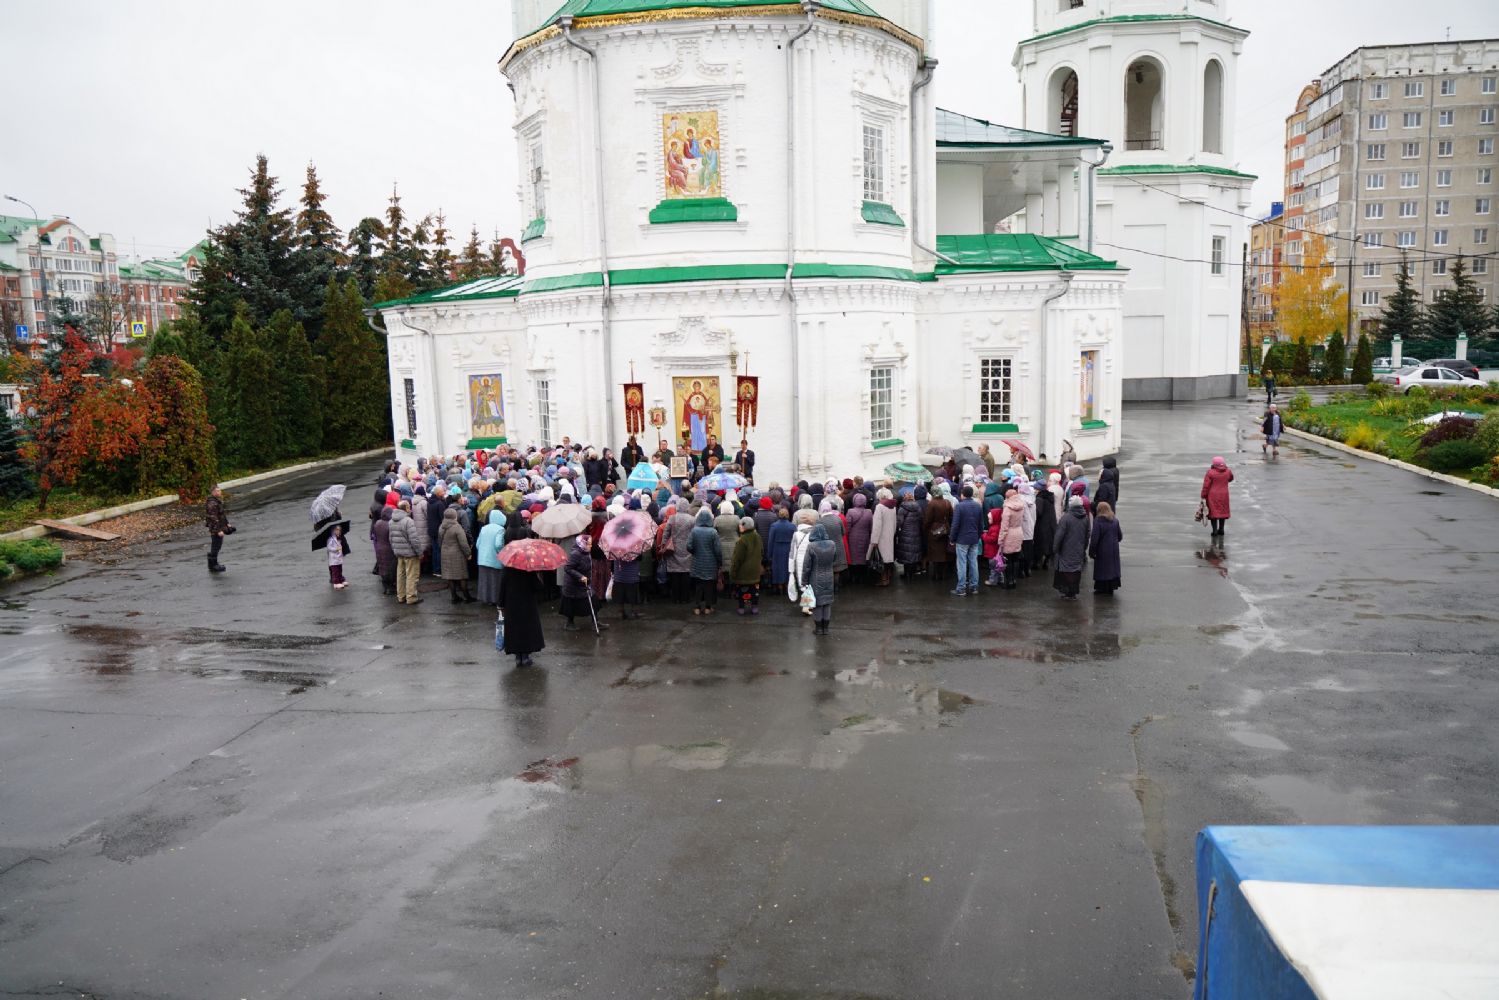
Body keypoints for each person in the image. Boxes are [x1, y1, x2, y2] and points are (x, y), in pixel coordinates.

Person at [497, 566, 545, 668]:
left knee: (514, 630)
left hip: (511, 604)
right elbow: (539, 587)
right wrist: (537, 574)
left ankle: (518, 657)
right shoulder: (529, 569)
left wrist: (500, 604)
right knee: (526, 630)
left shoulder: (507, 568)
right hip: (527, 605)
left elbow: (502, 586)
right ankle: (525, 656)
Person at [802, 523, 839, 636]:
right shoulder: (832, 544)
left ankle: (818, 629)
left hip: (815, 577)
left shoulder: (811, 546)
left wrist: (804, 581)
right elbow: (834, 559)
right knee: (827, 603)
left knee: (818, 603)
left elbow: (807, 566)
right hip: (829, 577)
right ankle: (826, 629)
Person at [949, 484, 984, 596]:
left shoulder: (959, 507)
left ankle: (961, 588)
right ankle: (974, 587)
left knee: (962, 563)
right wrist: (978, 536)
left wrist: (952, 538)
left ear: (962, 494)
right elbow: (981, 524)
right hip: (974, 538)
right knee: (973, 562)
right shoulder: (978, 506)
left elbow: (955, 525)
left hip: (962, 539)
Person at [1053, 495, 1090, 600]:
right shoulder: (1085, 517)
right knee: (1076, 570)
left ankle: (1068, 592)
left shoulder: (1066, 518)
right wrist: (1084, 547)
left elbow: (1059, 535)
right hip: (1079, 549)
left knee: (1067, 570)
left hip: (1066, 549)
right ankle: (1073, 592)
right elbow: (1087, 534)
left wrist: (1055, 548)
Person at [687, 507, 723, 615]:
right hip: (711, 564)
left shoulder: (694, 531)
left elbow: (688, 546)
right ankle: (708, 607)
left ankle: (697, 607)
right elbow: (718, 550)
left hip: (697, 562)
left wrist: (694, 552)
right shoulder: (713, 532)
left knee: (698, 586)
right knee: (709, 586)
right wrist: (719, 561)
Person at [390, 500, 424, 605]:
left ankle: (401, 596)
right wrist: (419, 552)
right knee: (411, 575)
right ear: (406, 508)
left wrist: (395, 550)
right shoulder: (408, 521)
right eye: (409, 506)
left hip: (399, 552)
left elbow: (390, 538)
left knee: (400, 575)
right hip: (410, 553)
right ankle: (411, 597)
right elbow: (414, 539)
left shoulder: (391, 521)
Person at [439, 507, 475, 603]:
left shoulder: (441, 526)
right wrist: (468, 553)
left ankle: (454, 597)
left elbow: (440, 541)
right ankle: (467, 597)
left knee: (450, 576)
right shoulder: (457, 527)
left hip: (445, 553)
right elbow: (463, 543)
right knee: (462, 575)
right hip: (457, 554)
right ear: (454, 516)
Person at [729, 516, 764, 615]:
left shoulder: (742, 540)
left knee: (742, 590)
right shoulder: (758, 537)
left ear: (744, 526)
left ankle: (741, 607)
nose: (739, 526)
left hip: (743, 572)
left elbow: (737, 559)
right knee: (754, 590)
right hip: (755, 570)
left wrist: (733, 572)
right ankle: (754, 606)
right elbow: (762, 552)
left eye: (740, 525)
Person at [560, 535, 595, 630]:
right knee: (572, 605)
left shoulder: (586, 551)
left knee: (593, 601)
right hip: (573, 585)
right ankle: (569, 623)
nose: (591, 546)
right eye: (589, 544)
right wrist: (580, 576)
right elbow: (568, 568)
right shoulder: (576, 554)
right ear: (583, 544)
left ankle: (595, 622)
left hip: (584, 583)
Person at [1089, 500, 1123, 595]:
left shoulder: (1098, 521)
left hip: (1102, 550)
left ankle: (1102, 589)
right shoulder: (1115, 521)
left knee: (1102, 569)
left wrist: (1091, 552)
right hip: (1114, 550)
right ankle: (1110, 588)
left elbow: (1094, 539)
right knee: (1112, 568)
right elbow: (1120, 536)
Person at [922, 485, 954, 582]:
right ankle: (942, 574)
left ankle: (936, 574)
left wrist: (925, 529)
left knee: (935, 553)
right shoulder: (947, 502)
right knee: (943, 552)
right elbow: (951, 517)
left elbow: (928, 519)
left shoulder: (932, 503)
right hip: (945, 529)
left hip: (934, 531)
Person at [475, 509, 507, 606]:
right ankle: (495, 599)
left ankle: (486, 599)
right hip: (494, 559)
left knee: (485, 580)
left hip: (482, 559)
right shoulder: (500, 529)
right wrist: (502, 553)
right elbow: (498, 545)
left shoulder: (484, 528)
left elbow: (478, 544)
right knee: (495, 581)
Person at [867, 488, 897, 587]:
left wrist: (874, 540)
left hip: (881, 537)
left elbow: (877, 525)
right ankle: (888, 577)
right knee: (888, 559)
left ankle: (883, 580)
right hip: (889, 535)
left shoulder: (879, 507)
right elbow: (894, 523)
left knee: (881, 559)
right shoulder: (893, 507)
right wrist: (892, 533)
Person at [998, 487, 1026, 589]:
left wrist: (1000, 539)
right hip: (1018, 532)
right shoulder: (1022, 506)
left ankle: (1009, 581)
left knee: (1008, 559)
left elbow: (1004, 527)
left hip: (1009, 534)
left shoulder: (1007, 508)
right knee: (1016, 558)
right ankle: (1014, 580)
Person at [1201, 456, 1234, 537]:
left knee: (1213, 513)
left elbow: (1206, 486)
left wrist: (1203, 495)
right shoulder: (1228, 471)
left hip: (1212, 495)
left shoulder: (1210, 472)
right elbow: (1231, 478)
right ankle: (1221, 529)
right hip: (1224, 495)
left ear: (1213, 464)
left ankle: (1215, 531)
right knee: (1222, 511)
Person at [844, 493, 874, 583]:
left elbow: (847, 527)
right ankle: (862, 577)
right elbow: (871, 527)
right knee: (863, 556)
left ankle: (854, 576)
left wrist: (847, 535)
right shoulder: (869, 512)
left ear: (854, 501)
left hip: (853, 538)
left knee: (854, 556)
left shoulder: (850, 511)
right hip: (865, 537)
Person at [204, 485, 231, 573]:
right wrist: (218, 530)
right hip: (215, 528)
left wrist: (227, 523)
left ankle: (212, 564)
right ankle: (213, 566)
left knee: (217, 545)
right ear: (213, 492)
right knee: (216, 546)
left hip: (219, 526)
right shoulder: (212, 503)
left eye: (220, 490)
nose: (220, 492)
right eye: (218, 491)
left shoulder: (216, 501)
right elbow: (213, 518)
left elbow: (221, 514)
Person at [767, 507, 795, 589]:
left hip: (777, 550)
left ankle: (779, 585)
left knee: (777, 568)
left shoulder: (774, 526)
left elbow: (770, 541)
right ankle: (787, 585)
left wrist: (769, 554)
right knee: (787, 567)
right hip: (788, 549)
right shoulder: (792, 526)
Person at [374, 507, 397, 595]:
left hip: (379, 548)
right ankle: (391, 588)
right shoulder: (389, 524)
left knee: (382, 567)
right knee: (390, 568)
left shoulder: (378, 523)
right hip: (388, 548)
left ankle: (385, 587)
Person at [326, 524, 347, 589]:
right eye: (337, 530)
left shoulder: (339, 538)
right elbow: (329, 548)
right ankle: (336, 582)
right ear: (333, 531)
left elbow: (340, 546)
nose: (338, 531)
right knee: (335, 571)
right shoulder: (331, 539)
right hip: (334, 559)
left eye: (339, 530)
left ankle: (341, 580)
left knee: (340, 569)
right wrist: (336, 549)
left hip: (338, 558)